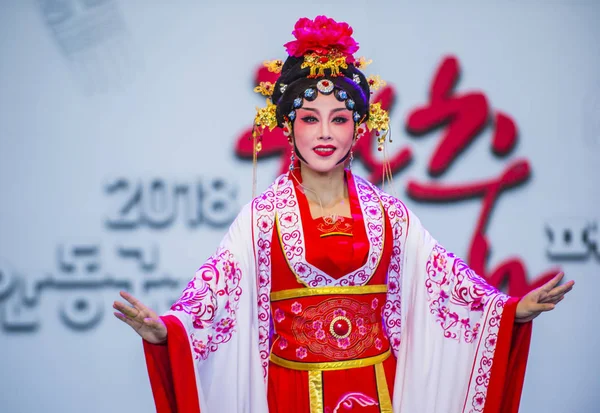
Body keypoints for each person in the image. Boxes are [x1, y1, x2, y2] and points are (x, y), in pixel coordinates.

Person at [113, 15, 574, 413]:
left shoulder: (390, 215)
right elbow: (214, 299)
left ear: (359, 126)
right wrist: (170, 329)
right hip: (292, 389)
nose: (325, 132)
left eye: (339, 117)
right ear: (288, 127)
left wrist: (509, 311)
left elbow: (448, 289)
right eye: (310, 118)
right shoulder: (261, 218)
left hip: (377, 390)